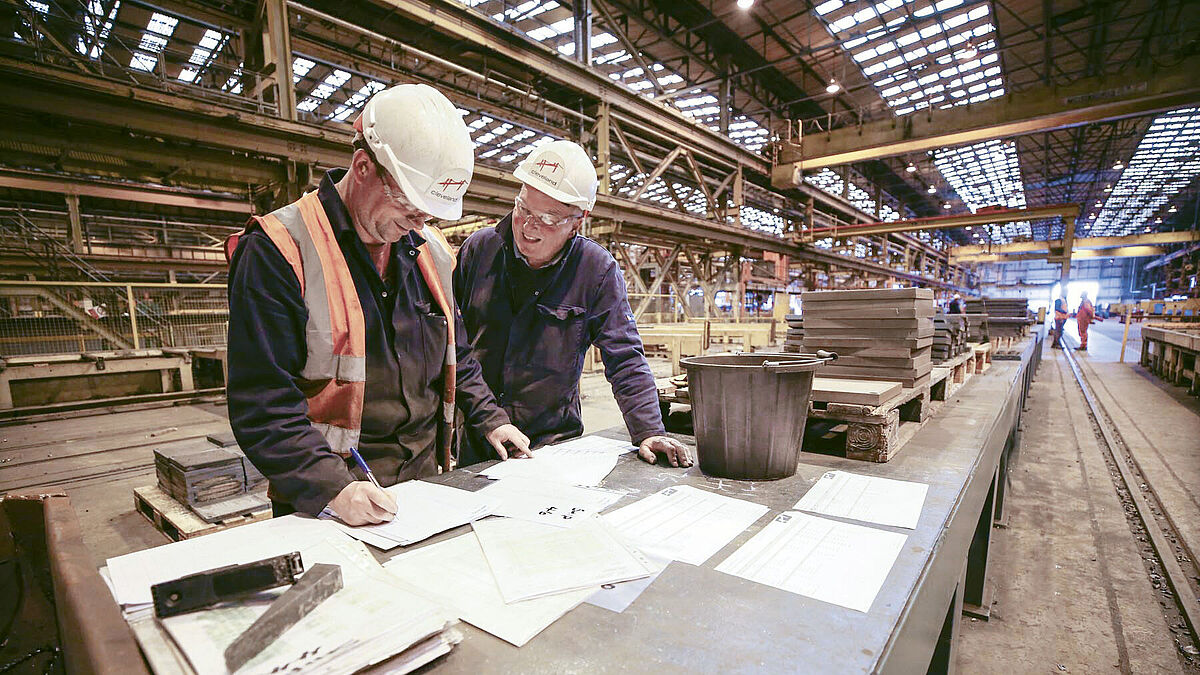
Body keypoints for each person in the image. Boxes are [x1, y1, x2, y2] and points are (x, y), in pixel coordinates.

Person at [225, 84, 530, 526]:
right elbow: (263, 401)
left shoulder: (430, 251)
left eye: (429, 213)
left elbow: (456, 355)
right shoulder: (279, 249)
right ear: (364, 166)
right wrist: (333, 487)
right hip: (330, 499)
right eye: (409, 205)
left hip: (425, 488)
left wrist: (490, 418)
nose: (418, 223)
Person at [454, 140, 691, 469]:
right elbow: (452, 344)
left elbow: (625, 358)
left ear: (578, 221)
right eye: (523, 208)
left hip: (552, 447)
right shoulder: (479, 251)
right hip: (478, 439)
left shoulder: (595, 271)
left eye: (549, 219)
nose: (528, 225)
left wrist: (649, 430)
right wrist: (488, 416)